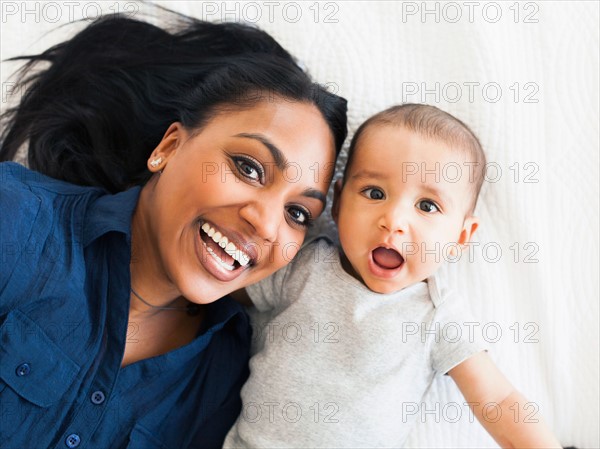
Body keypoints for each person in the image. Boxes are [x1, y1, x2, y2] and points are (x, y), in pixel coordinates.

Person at [0, 11, 347, 449]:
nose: (265, 222)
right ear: (170, 146)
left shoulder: (229, 378)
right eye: (249, 168)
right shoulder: (16, 220)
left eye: (298, 213)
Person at [223, 104, 561, 448]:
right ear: (338, 203)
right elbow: (222, 286)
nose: (393, 219)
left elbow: (499, 400)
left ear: (461, 237)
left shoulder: (436, 315)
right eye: (375, 193)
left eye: (427, 206)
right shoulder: (304, 266)